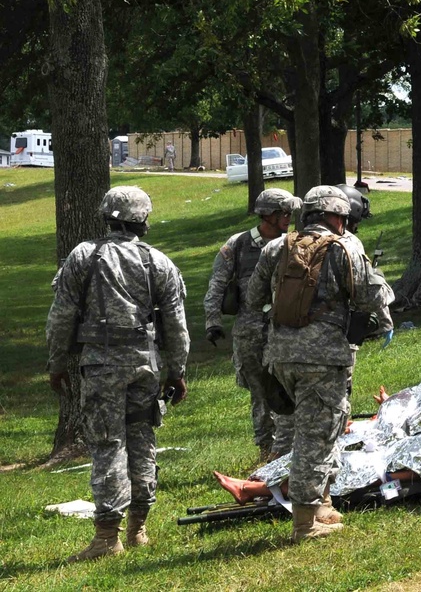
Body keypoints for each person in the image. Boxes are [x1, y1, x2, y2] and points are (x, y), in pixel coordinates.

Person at [46, 186, 189, 561]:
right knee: (142, 438)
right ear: (143, 220)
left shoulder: (84, 256)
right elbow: (176, 324)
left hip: (102, 366)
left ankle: (108, 538)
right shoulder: (158, 262)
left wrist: (57, 363)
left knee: (108, 443)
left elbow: (61, 316)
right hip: (144, 365)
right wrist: (177, 370)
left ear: (106, 217)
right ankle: (138, 528)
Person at [246, 185, 394, 542]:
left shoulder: (275, 247)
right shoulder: (345, 247)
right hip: (323, 359)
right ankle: (304, 523)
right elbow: (371, 296)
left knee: (317, 429)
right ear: (335, 217)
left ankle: (323, 503)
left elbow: (253, 297)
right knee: (314, 437)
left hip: (280, 355)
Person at [204, 188, 298, 462]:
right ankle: (266, 450)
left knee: (286, 390)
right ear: (268, 215)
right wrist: (212, 321)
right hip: (249, 333)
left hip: (283, 330)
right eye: (284, 213)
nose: (289, 218)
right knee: (260, 394)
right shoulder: (238, 244)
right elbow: (217, 284)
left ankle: (286, 450)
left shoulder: (293, 243)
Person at [212, 429, 421, 504]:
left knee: (335, 471)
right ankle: (254, 485)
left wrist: (384, 479)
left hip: (389, 471)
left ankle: (250, 490)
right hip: (392, 456)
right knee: (331, 457)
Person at [336, 183, 393, 346]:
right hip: (336, 335)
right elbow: (370, 295)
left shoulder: (298, 241)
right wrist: (386, 324)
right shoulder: (349, 243)